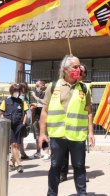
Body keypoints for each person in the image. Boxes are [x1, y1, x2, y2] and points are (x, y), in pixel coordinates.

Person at [38, 55, 95, 196]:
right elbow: (44, 111)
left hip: (77, 136)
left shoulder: (84, 88)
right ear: (65, 69)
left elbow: (89, 112)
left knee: (79, 167)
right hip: (58, 135)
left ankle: (82, 194)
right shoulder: (52, 87)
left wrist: (91, 132)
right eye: (75, 66)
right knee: (55, 167)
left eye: (79, 66)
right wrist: (42, 133)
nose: (79, 69)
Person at [0, 83, 28, 173]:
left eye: (18, 91)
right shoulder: (5, 101)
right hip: (9, 126)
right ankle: (19, 164)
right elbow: (1, 113)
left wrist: (23, 123)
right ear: (11, 92)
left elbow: (25, 113)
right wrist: (2, 124)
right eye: (15, 91)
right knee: (14, 145)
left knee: (17, 145)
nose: (17, 93)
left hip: (19, 126)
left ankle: (12, 163)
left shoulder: (22, 102)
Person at [30, 80, 48, 159]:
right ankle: (38, 152)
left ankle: (47, 152)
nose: (37, 87)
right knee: (37, 136)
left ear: (42, 85)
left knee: (44, 134)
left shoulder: (46, 92)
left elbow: (44, 102)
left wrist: (35, 97)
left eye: (38, 85)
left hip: (43, 116)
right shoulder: (35, 92)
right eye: (36, 86)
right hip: (36, 116)